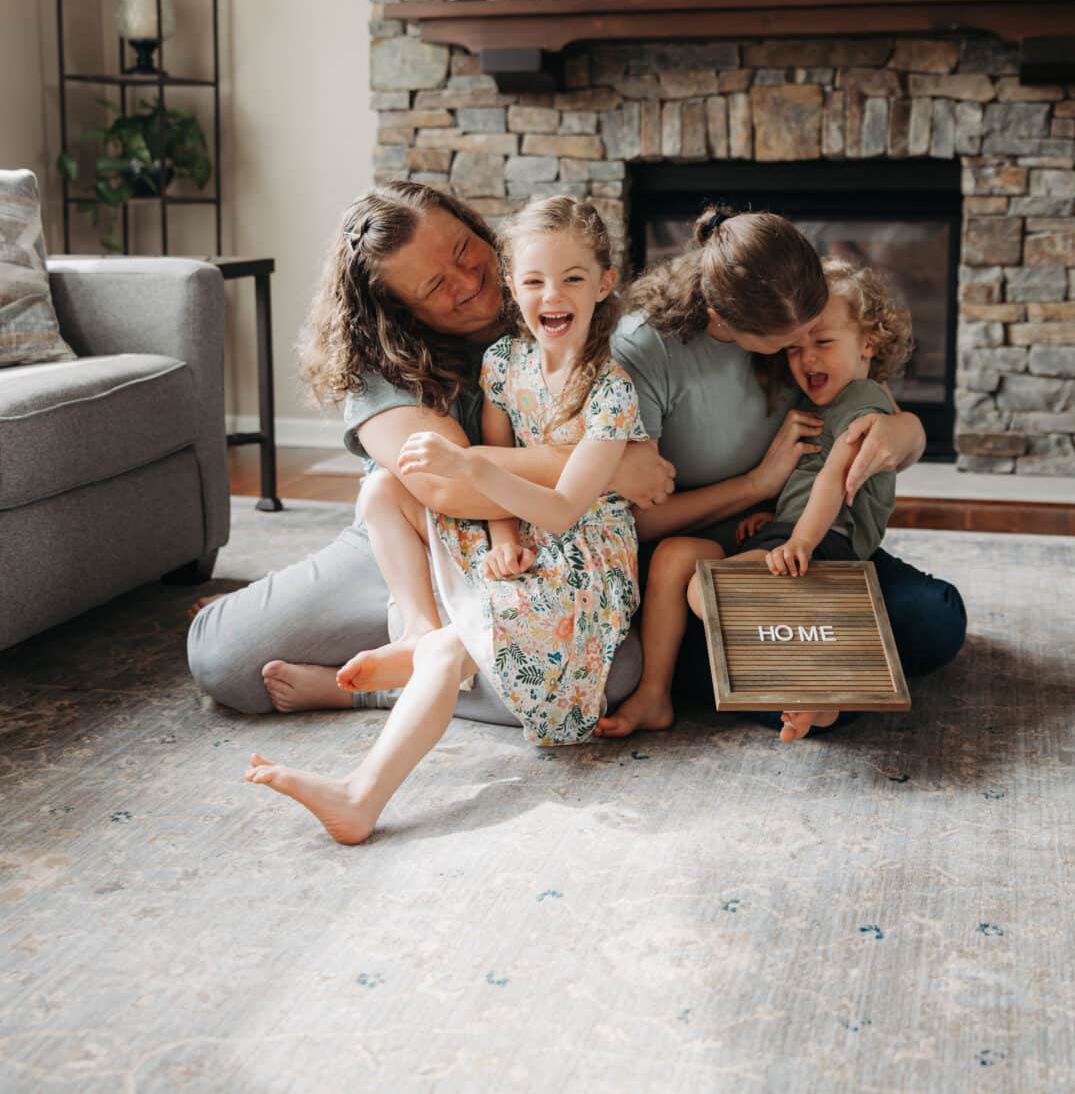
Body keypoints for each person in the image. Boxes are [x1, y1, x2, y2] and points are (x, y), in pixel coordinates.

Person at [184, 182, 673, 724]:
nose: (470, 280)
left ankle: (399, 671)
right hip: (416, 544)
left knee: (614, 677)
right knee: (222, 660)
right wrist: (604, 464)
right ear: (400, 312)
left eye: (466, 250)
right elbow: (449, 487)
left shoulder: (548, 297)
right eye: (438, 284)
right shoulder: (374, 364)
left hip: (533, 553)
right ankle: (411, 647)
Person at [246, 198, 646, 842]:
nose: (554, 294)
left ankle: (361, 793)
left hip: (583, 556)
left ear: (605, 283)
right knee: (381, 491)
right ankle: (419, 634)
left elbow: (566, 506)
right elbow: (501, 459)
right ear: (516, 287)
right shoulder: (504, 366)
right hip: (521, 524)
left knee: (457, 649)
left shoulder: (611, 391)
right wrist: (503, 537)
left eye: (574, 278)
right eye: (537, 279)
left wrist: (474, 470)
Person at [592, 207, 967, 739]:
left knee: (935, 619)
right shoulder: (646, 347)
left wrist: (908, 433)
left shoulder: (791, 293)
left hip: (793, 538)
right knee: (721, 624)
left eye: (815, 334)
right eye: (790, 342)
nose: (803, 348)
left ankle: (791, 676)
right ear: (734, 321)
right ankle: (809, 681)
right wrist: (755, 485)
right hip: (693, 562)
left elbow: (869, 417)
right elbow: (630, 522)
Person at [692, 258, 913, 742]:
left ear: (869, 344)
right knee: (716, 593)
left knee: (707, 591)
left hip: (826, 539)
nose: (807, 358)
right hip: (799, 531)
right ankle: (816, 697)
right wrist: (770, 517)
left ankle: (804, 684)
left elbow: (835, 477)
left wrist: (800, 540)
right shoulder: (823, 405)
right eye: (794, 347)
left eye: (824, 342)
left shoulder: (864, 401)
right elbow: (808, 479)